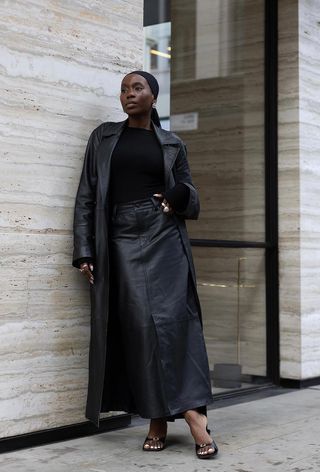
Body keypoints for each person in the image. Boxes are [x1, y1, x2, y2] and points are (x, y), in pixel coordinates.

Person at [72, 70, 218, 459]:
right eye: (123, 89)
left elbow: (193, 195)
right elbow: (87, 195)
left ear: (154, 96)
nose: (128, 94)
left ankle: (189, 416)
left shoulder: (172, 143)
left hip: (164, 235)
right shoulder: (103, 137)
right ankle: (158, 415)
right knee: (140, 329)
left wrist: (175, 196)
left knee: (175, 325)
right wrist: (85, 249)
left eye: (137, 88)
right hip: (119, 238)